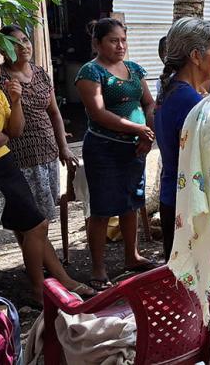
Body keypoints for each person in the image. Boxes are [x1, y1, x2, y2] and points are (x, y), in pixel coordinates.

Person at [0, 42, 94, 303]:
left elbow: (16, 130)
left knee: (35, 225)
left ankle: (62, 280)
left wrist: (16, 101)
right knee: (37, 225)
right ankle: (39, 290)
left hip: (3, 166)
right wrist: (3, 136)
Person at [75, 18, 156, 289]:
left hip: (135, 147)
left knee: (131, 203)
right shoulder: (90, 72)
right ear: (97, 43)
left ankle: (131, 256)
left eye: (123, 40)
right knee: (102, 208)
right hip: (104, 149)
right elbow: (98, 113)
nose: (120, 45)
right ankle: (98, 269)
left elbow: (149, 103)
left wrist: (147, 136)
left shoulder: (134, 68)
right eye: (113, 40)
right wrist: (139, 129)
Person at [155, 17, 210, 261]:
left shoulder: (173, 91)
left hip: (173, 199)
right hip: (188, 207)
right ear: (196, 56)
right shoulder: (189, 101)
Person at [0, 25, 78, 221]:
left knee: (47, 213)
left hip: (48, 150)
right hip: (19, 155)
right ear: (3, 50)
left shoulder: (40, 73)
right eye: (14, 44)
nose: (23, 46)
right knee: (27, 216)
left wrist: (63, 147)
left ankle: (42, 242)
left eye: (25, 40)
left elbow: (54, 113)